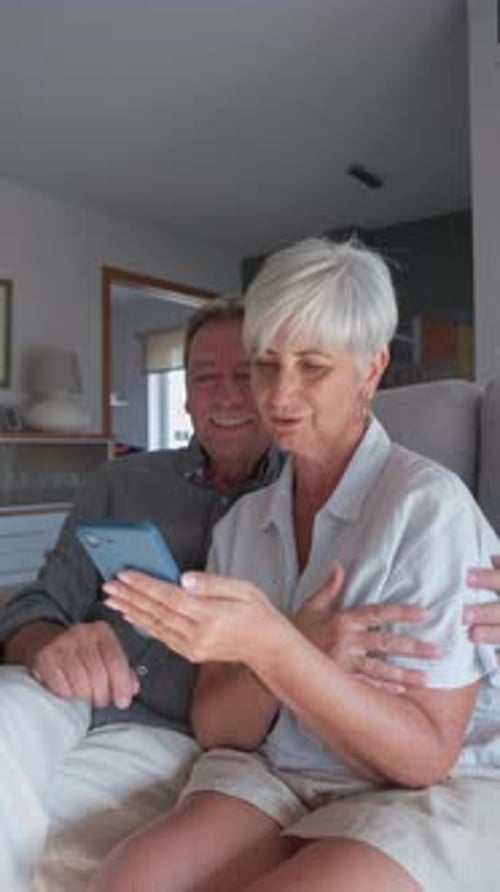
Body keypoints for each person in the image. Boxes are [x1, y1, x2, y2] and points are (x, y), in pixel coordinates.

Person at [93, 237, 500, 892]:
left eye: (313, 366)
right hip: (281, 770)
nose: (279, 394)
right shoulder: (244, 525)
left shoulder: (427, 512)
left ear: (371, 369)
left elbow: (424, 756)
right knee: (129, 882)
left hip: (419, 787)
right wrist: (293, 647)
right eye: (266, 363)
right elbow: (219, 726)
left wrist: (276, 648)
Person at [0, 300, 279, 890]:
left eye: (246, 374)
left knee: (54, 832)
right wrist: (50, 644)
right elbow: (36, 604)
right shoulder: (118, 481)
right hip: (63, 694)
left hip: (166, 731)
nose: (226, 396)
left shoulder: (302, 499)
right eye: (205, 377)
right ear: (185, 396)